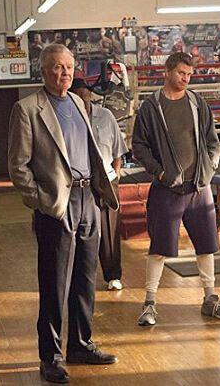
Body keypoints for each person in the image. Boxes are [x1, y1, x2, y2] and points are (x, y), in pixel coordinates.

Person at [8, 43, 119, 384]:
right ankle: (51, 357)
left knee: (85, 279)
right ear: (43, 71)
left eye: (69, 67)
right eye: (57, 67)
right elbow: (18, 166)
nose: (64, 73)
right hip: (57, 204)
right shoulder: (28, 108)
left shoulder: (77, 102)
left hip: (88, 199)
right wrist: (42, 201)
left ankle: (81, 345)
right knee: (54, 284)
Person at [131, 52, 220, 327]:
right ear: (167, 71)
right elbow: (139, 146)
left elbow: (213, 141)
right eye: (181, 73)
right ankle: (149, 303)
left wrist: (209, 170)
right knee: (159, 246)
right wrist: (160, 172)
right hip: (167, 188)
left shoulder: (197, 103)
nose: (186, 78)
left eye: (189, 74)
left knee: (207, 245)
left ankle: (210, 298)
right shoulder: (151, 107)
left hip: (199, 186)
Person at [69, 78, 127, 292]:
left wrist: (115, 176)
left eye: (86, 94)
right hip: (79, 182)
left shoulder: (106, 116)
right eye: (78, 95)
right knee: (82, 232)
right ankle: (83, 278)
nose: (83, 99)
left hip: (107, 180)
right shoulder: (68, 119)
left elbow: (118, 150)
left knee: (110, 230)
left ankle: (113, 275)